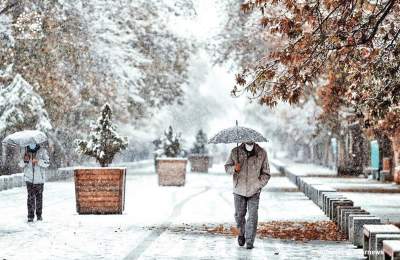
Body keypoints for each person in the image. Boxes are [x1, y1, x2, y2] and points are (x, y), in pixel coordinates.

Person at [225, 142, 271, 249]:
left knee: (253, 216)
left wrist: (259, 184)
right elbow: (227, 167)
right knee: (238, 215)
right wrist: (234, 169)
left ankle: (250, 241)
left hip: (254, 191)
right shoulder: (235, 152)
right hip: (239, 189)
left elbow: (266, 173)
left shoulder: (262, 153)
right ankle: (240, 234)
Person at [19, 143, 50, 222]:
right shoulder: (25, 151)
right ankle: (30, 216)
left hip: (39, 179)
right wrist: (25, 161)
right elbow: (20, 164)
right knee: (30, 198)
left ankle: (39, 215)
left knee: (39, 198)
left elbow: (47, 163)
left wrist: (38, 161)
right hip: (29, 179)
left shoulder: (42, 151)